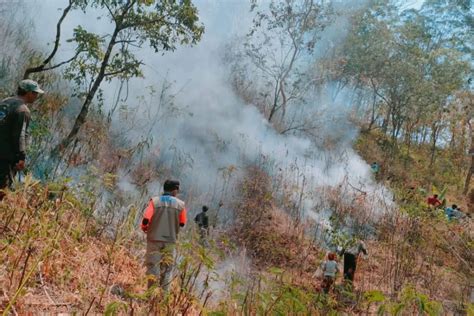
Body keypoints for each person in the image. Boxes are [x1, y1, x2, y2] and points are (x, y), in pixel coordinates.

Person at [0, 79, 44, 200]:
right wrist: (21, 157)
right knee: (2, 189)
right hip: (5, 158)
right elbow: (20, 135)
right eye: (35, 93)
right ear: (28, 93)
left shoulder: (5, 102)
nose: (36, 96)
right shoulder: (23, 110)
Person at [141, 179, 187, 292]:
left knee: (153, 266)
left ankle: (150, 295)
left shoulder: (154, 202)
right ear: (174, 190)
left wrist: (145, 228)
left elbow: (146, 218)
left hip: (154, 240)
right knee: (167, 269)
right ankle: (163, 297)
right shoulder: (181, 205)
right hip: (170, 241)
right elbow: (182, 223)